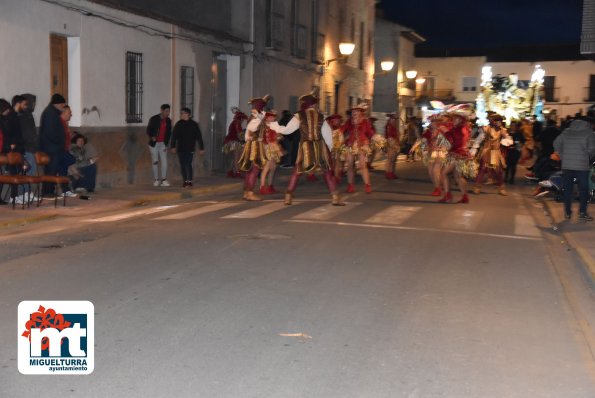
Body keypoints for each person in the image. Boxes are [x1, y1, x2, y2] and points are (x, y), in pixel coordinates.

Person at [268, 90, 344, 206]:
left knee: (297, 171)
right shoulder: (321, 116)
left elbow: (287, 130)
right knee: (327, 172)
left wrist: (273, 125)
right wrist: (330, 148)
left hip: (306, 146)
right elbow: (327, 134)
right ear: (314, 104)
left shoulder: (299, 116)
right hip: (320, 145)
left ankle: (288, 196)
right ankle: (335, 197)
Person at [553, 118, 595, 221]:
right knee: (583, 190)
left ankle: (567, 213)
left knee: (568, 190)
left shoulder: (567, 131)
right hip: (582, 166)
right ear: (588, 124)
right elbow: (592, 148)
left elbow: (556, 143)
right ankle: (582, 213)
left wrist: (562, 155)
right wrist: (588, 157)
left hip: (567, 165)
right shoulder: (589, 133)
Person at [437, 108, 476, 204]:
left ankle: (447, 196)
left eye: (456, 119)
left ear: (461, 120)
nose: (453, 120)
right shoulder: (464, 128)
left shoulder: (459, 130)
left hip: (457, 154)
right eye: (453, 119)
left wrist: (445, 131)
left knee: (444, 173)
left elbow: (454, 141)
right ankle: (464, 196)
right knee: (458, 176)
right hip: (462, 154)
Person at [238, 94, 270, 201]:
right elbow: (249, 132)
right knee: (255, 169)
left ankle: (246, 192)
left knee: (251, 169)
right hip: (255, 145)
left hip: (252, 144)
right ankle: (250, 192)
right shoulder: (257, 117)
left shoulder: (255, 117)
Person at [473, 114, 510, 196]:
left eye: (500, 121)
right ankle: (477, 187)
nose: (499, 123)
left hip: (495, 152)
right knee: (482, 169)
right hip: (486, 151)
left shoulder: (502, 130)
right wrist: (474, 148)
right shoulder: (486, 129)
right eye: (497, 121)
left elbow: (508, 140)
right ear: (493, 122)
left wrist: (506, 137)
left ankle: (501, 188)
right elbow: (479, 139)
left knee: (498, 171)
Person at [39, 93, 68, 197]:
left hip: (53, 147)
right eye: (62, 105)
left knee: (52, 170)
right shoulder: (50, 113)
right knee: (51, 170)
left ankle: (49, 191)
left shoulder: (53, 112)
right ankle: (47, 192)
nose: (63, 107)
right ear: (57, 104)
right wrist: (59, 142)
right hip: (51, 148)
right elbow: (50, 132)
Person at [342, 104, 375, 194]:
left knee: (362, 165)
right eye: (353, 111)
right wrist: (336, 134)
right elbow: (342, 130)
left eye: (356, 111)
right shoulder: (349, 121)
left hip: (362, 145)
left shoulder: (365, 122)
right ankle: (350, 186)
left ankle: (367, 185)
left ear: (360, 112)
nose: (354, 113)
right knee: (350, 166)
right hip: (350, 144)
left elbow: (370, 132)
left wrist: (375, 138)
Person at [171, 107, 205, 188]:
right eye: (181, 113)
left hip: (190, 148)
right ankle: (185, 180)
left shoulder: (194, 124)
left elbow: (199, 137)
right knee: (182, 164)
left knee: (188, 163)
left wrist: (201, 148)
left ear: (188, 114)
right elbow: (174, 136)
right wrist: (173, 146)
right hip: (181, 148)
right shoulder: (179, 124)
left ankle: (189, 181)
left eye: (183, 113)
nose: (182, 115)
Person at [147, 104, 172, 187]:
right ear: (161, 110)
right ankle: (156, 180)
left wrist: (166, 143)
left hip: (162, 144)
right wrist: (152, 136)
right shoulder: (154, 119)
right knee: (155, 161)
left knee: (164, 162)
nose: (167, 113)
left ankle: (164, 180)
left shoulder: (168, 120)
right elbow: (148, 130)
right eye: (166, 111)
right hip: (154, 144)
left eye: (168, 111)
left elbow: (169, 133)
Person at [260, 110, 284, 194]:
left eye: (273, 117)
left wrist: (278, 137)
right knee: (267, 167)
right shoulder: (265, 126)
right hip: (268, 148)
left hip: (274, 147)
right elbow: (264, 138)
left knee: (273, 168)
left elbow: (279, 136)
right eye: (270, 116)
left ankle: (270, 186)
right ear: (266, 118)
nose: (272, 118)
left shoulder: (274, 125)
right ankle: (262, 187)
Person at [223, 107, 247, 178]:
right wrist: (244, 139)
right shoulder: (237, 123)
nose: (242, 121)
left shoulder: (233, 122)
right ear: (241, 118)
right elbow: (239, 134)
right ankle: (237, 172)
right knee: (237, 157)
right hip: (234, 141)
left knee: (233, 157)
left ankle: (230, 172)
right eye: (242, 119)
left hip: (230, 141)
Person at [326, 114, 345, 184]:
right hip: (330, 148)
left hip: (338, 148)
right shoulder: (328, 129)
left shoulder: (340, 130)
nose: (336, 122)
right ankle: (332, 175)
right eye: (335, 121)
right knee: (331, 162)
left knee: (337, 162)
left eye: (338, 121)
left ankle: (336, 177)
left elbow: (342, 139)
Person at [384, 113, 400, 180]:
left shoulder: (393, 126)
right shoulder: (389, 126)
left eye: (395, 119)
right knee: (390, 159)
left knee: (393, 159)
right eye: (393, 119)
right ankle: (388, 173)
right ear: (390, 119)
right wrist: (392, 144)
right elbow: (389, 137)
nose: (395, 121)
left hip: (395, 142)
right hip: (391, 143)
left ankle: (392, 172)